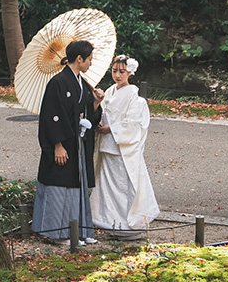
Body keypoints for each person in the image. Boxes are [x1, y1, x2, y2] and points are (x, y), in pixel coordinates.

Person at [32, 39, 104, 244]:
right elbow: (51, 116)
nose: (91, 62)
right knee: (59, 187)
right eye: (89, 59)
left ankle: (78, 230)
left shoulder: (82, 83)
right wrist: (57, 145)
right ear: (79, 59)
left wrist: (96, 103)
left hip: (77, 144)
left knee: (75, 186)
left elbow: (87, 112)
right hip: (63, 145)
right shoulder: (58, 82)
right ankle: (57, 233)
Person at [91, 56, 159, 240]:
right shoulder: (110, 91)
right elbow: (102, 113)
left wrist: (111, 128)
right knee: (108, 188)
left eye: (122, 71)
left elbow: (133, 124)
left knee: (124, 187)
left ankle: (129, 226)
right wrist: (98, 103)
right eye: (114, 71)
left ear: (130, 72)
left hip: (122, 148)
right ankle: (111, 224)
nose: (118, 75)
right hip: (107, 147)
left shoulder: (135, 98)